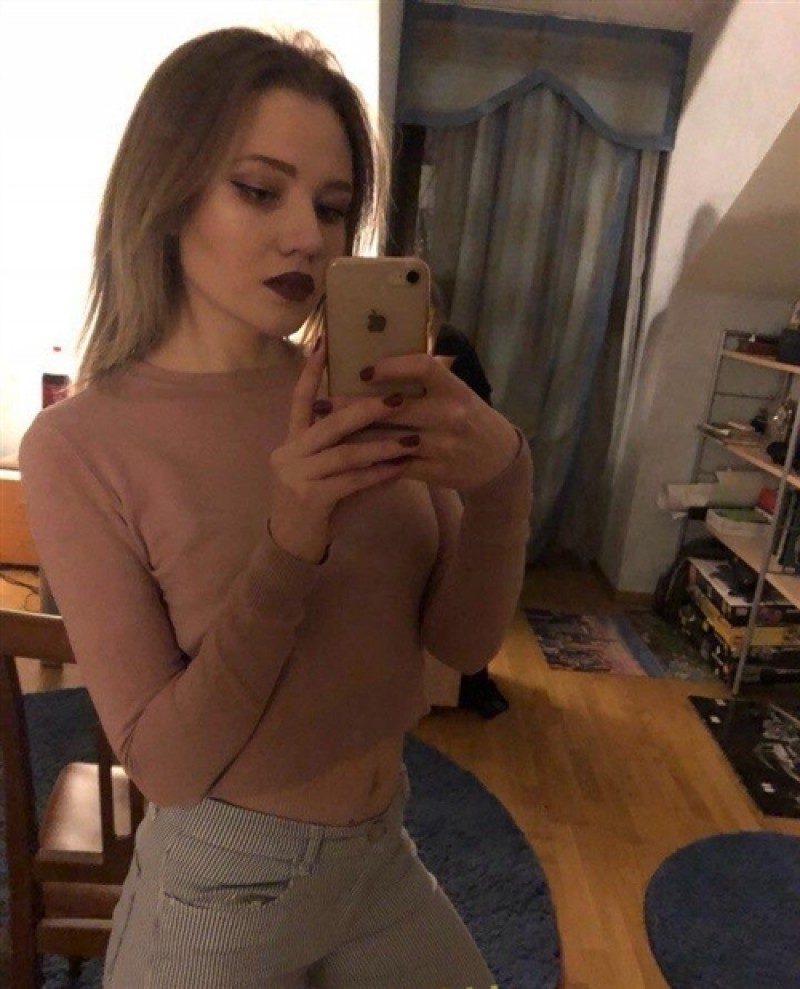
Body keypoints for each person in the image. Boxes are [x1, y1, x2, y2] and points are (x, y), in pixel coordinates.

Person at [19, 27, 532, 989]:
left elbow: (461, 643)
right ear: (166, 192)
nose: (309, 234)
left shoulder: (361, 390)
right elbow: (167, 767)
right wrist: (290, 544)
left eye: (332, 207)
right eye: (260, 190)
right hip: (223, 892)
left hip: (381, 856)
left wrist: (504, 483)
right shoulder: (79, 445)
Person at [430, 285, 512, 719]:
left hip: (468, 460)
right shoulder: (442, 338)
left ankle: (468, 681)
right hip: (459, 456)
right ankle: (462, 679)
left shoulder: (444, 341)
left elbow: (424, 392)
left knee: (456, 568)